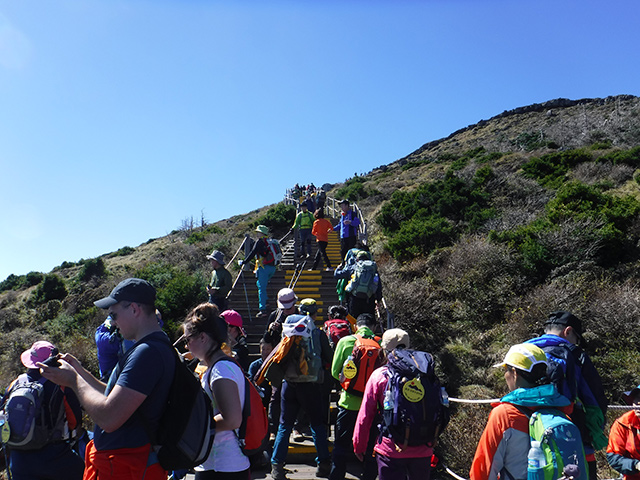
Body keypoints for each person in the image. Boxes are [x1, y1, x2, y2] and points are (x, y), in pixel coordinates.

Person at [40, 278, 174, 480]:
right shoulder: (154, 347)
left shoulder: (146, 354)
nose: (112, 322)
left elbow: (109, 418)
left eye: (114, 314)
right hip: (127, 465)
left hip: (126, 468)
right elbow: (114, 396)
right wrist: (79, 372)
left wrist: (73, 382)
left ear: (135, 309)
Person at [470, 343, 575, 480]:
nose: (505, 376)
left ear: (514, 373)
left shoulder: (504, 415)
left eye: (505, 370)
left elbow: (484, 469)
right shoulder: (560, 410)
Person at [526, 311, 608, 480]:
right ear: (568, 331)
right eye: (577, 338)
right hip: (569, 433)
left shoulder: (524, 350)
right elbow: (594, 397)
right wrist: (595, 431)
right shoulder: (575, 354)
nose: (577, 343)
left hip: (527, 432)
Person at [182, 303, 251, 480]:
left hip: (223, 466)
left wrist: (194, 428)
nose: (187, 347)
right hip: (220, 464)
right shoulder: (220, 366)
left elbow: (232, 419)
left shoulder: (221, 370)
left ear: (203, 337)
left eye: (188, 340)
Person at [354, 328, 433, 480]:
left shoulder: (380, 375)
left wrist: (359, 444)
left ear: (384, 349)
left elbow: (366, 414)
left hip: (391, 448)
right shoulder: (425, 374)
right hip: (423, 447)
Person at [4, 341, 84, 480]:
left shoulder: (16, 383)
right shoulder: (62, 384)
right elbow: (74, 422)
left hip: (18, 457)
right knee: (83, 472)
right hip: (53, 454)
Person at [270, 313, 334, 480]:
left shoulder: (287, 334)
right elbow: (329, 357)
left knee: (284, 426)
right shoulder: (317, 334)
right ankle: (323, 464)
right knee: (317, 424)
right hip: (310, 386)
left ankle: (276, 465)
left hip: (288, 385)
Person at [329, 313, 380, 480]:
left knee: (341, 444)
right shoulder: (379, 344)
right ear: (373, 327)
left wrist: (349, 383)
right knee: (372, 445)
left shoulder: (345, 341)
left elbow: (335, 373)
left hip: (348, 403)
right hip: (373, 407)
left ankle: (337, 475)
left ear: (356, 326)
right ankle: (369, 475)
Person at [241, 225, 278, 318]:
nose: (257, 234)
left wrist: (244, 262)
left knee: (261, 288)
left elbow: (252, 253)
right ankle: (267, 302)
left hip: (263, 268)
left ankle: (263, 309)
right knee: (260, 284)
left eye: (258, 232)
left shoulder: (259, 242)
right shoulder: (270, 241)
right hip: (272, 268)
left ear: (261, 233)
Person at [334, 250, 382, 319]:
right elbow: (378, 284)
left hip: (354, 299)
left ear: (357, 259)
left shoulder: (353, 267)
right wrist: (378, 299)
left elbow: (337, 275)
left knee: (354, 321)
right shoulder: (373, 268)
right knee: (368, 320)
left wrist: (338, 268)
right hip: (369, 299)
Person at [606, 384, 640, 480]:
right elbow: (613, 457)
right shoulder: (623, 423)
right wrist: (636, 465)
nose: (638, 403)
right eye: (636, 398)